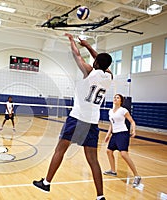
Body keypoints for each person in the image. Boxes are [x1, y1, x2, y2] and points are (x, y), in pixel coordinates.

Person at [33, 33, 113, 200]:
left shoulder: (90, 71)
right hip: (92, 122)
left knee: (60, 150)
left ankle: (46, 183)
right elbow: (102, 62)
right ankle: (100, 196)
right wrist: (90, 47)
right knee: (93, 160)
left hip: (77, 119)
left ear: (96, 63)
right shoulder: (109, 77)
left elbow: (76, 55)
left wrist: (73, 41)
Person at [103, 94, 141, 187]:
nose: (115, 99)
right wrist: (108, 135)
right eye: (114, 97)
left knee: (123, 154)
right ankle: (113, 171)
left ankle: (137, 176)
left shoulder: (123, 110)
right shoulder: (110, 111)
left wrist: (134, 130)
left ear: (121, 101)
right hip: (114, 134)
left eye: (117, 98)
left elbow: (132, 121)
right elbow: (111, 124)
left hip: (123, 133)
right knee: (108, 151)